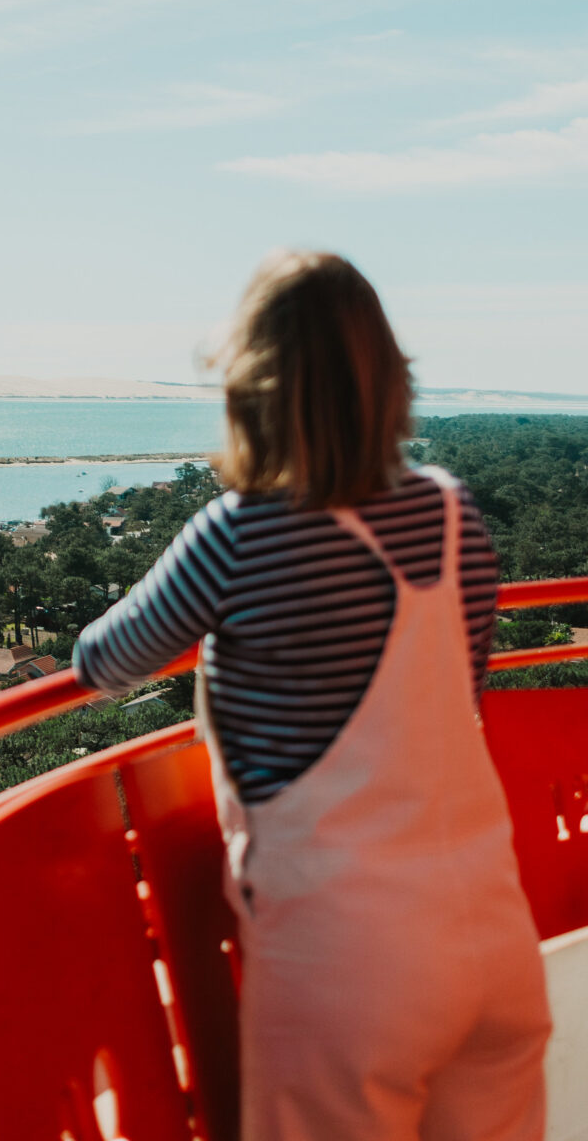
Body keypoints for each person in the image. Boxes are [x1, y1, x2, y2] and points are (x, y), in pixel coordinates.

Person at [73, 251, 551, 1141]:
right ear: (388, 380)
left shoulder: (242, 534)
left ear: (255, 388)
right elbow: (458, 692)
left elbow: (102, 661)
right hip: (493, 936)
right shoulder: (453, 514)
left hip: (350, 966)